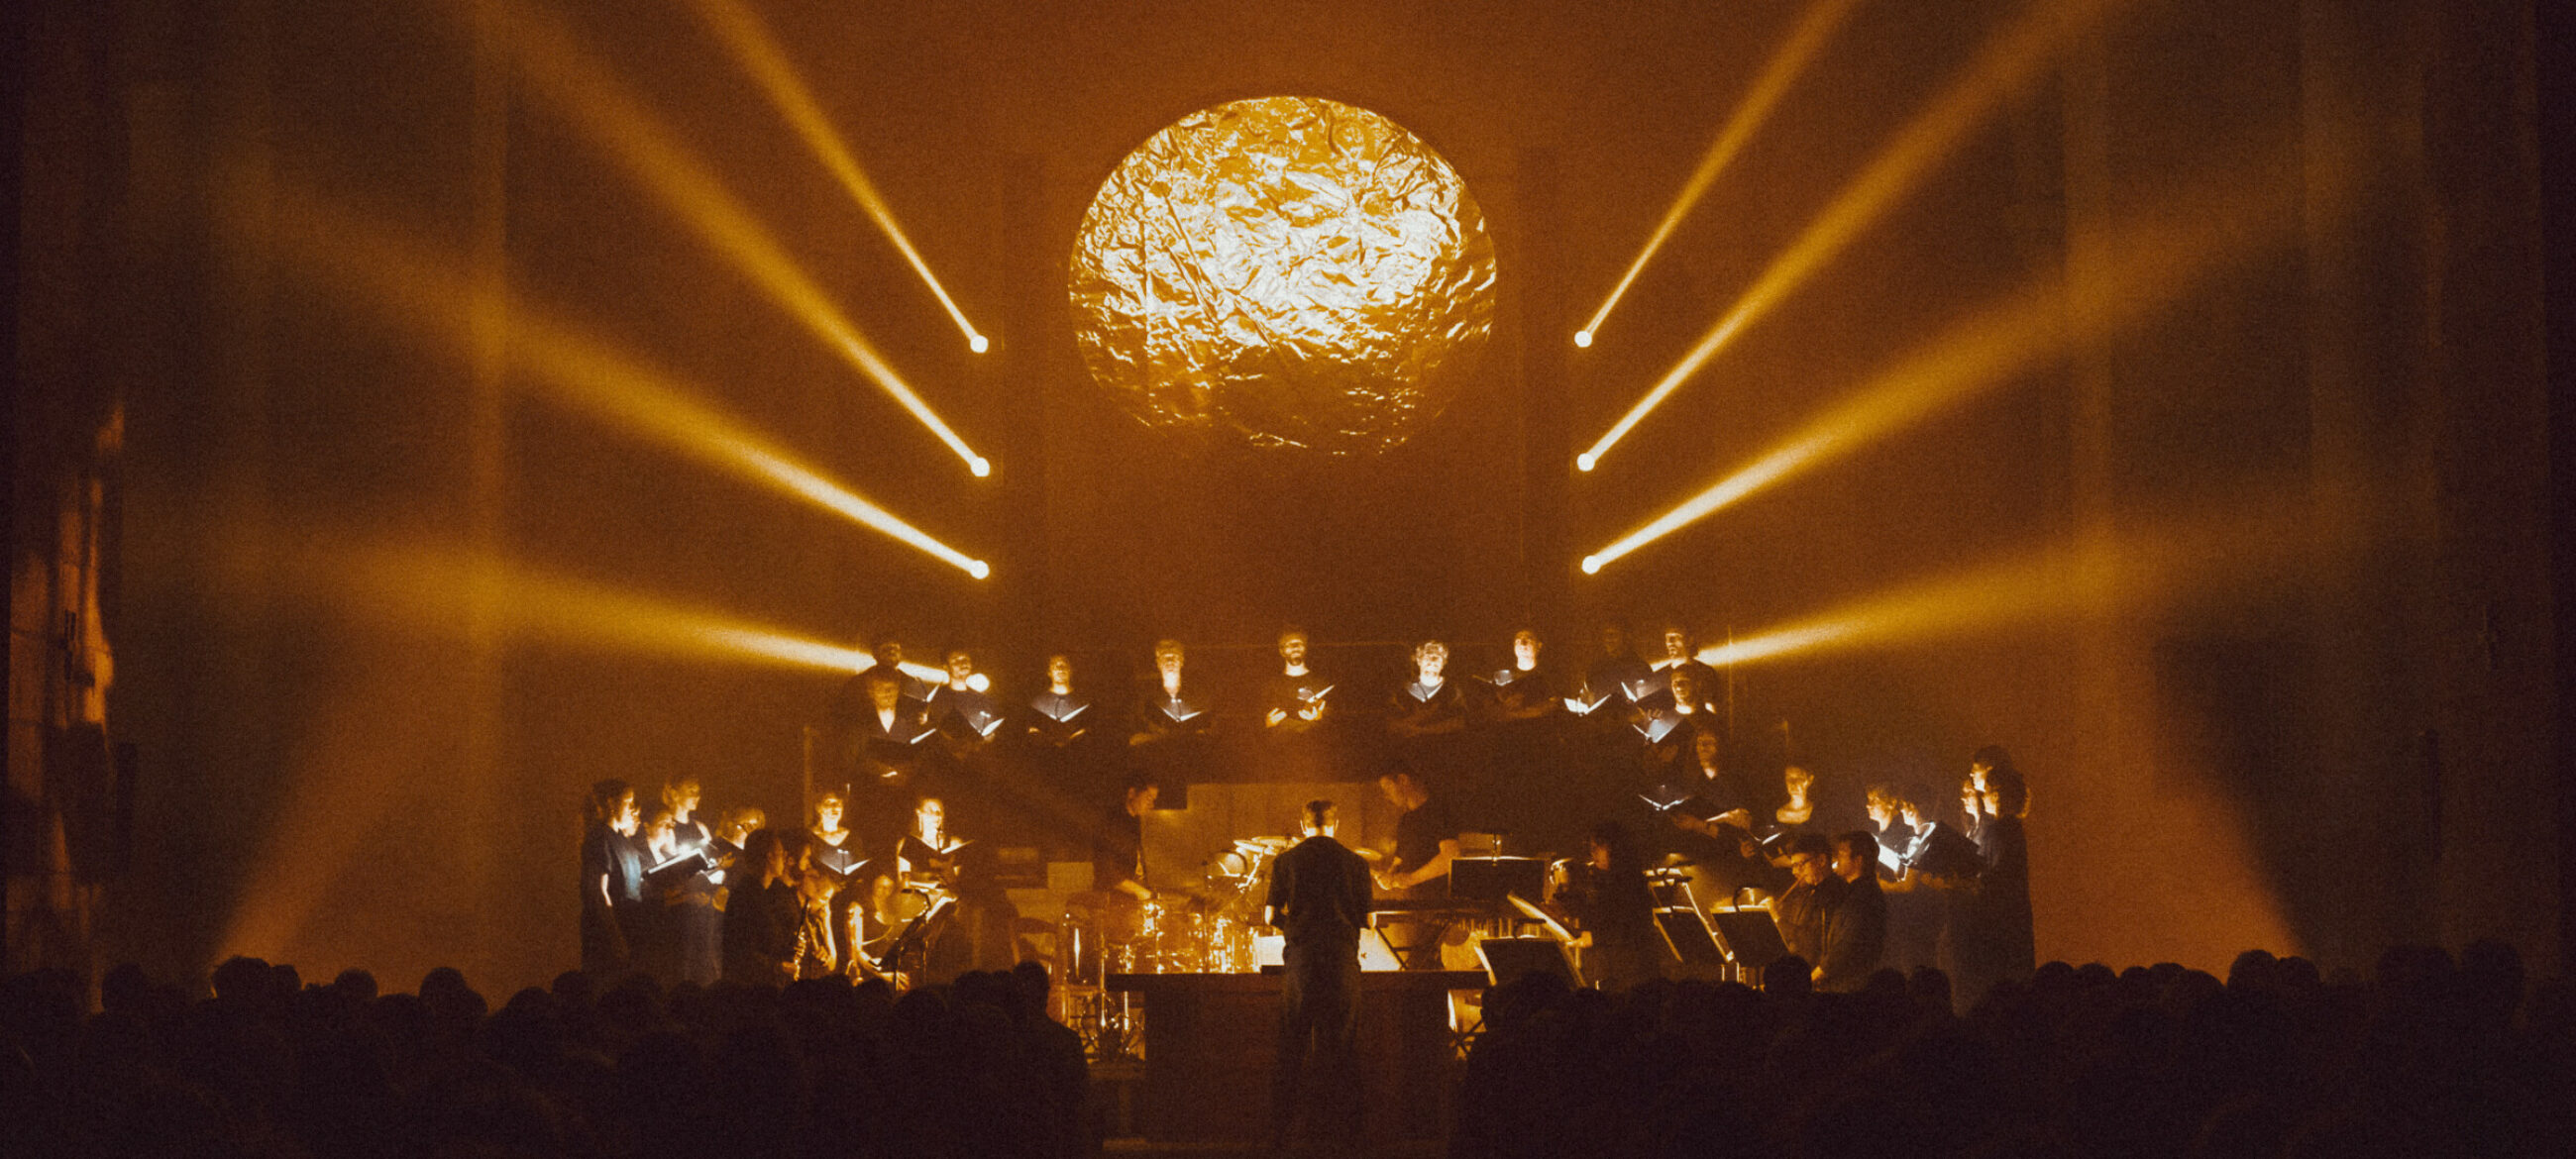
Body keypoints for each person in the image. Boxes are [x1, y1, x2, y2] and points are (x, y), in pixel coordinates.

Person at [1264, 799, 1373, 1149]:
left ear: (1303, 824)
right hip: (1341, 962)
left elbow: (1269, 916)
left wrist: (1293, 927)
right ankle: (1346, 1139)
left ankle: (1279, 1136)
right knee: (1342, 1048)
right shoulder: (1356, 863)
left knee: (1292, 1047)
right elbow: (1369, 921)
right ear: (1335, 824)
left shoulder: (1285, 862)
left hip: (1302, 963)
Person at [1556, 820, 1662, 991]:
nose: (1593, 853)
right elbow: (1588, 913)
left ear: (1616, 849)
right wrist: (1564, 890)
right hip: (1606, 973)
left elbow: (1632, 927)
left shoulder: (1631, 883)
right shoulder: (1598, 879)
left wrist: (1595, 937)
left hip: (1630, 976)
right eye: (1591, 848)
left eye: (1599, 847)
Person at [1373, 770, 1460, 970]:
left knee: (1420, 967)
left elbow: (1450, 857)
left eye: (1388, 787)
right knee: (1420, 966)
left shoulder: (1439, 811)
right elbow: (1399, 861)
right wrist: (1389, 876)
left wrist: (1410, 879)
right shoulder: (1406, 821)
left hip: (1436, 907)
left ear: (1402, 780)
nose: (1386, 795)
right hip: (1413, 910)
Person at [657, 779, 723, 986]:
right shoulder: (667, 827)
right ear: (675, 794)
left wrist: (718, 868)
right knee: (682, 963)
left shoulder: (700, 827)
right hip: (680, 907)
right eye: (691, 791)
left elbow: (712, 862)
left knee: (705, 960)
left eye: (699, 791)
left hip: (705, 903)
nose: (697, 796)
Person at [580, 780, 644, 979]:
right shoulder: (599, 838)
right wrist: (615, 937)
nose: (633, 808)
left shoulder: (623, 840)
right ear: (612, 803)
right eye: (629, 802)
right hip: (610, 931)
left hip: (631, 926)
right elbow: (598, 890)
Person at [720, 826, 800, 986]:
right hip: (752, 990)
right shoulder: (745, 897)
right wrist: (779, 966)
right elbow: (741, 952)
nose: (785, 858)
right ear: (770, 857)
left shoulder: (770, 893)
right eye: (782, 853)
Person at [1260, 626, 1338, 781]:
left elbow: (1335, 722)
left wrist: (1319, 718)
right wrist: (1268, 723)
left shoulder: (1321, 682)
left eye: (1299, 643)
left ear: (1306, 648)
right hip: (1280, 756)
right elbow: (1257, 722)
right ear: (1281, 651)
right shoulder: (1271, 685)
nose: (1295, 647)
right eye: (1290, 644)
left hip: (1315, 754)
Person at [1817, 830, 1888, 992]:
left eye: (1842, 854)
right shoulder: (1853, 892)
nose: (1837, 860)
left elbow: (1847, 945)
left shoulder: (1864, 897)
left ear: (1858, 860)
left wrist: (1817, 975)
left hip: (1852, 988)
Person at [1771, 833, 1844, 973]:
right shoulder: (1808, 892)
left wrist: (1777, 918)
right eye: (1793, 866)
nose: (1795, 871)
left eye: (1800, 865)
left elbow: (1811, 941)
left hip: (1815, 981)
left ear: (1821, 860)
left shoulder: (1834, 894)